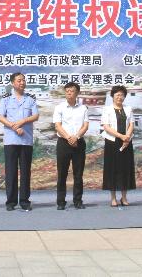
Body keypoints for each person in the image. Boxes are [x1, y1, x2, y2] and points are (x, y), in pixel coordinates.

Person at [0, 72, 39, 211]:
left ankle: (25, 201)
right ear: (13, 83)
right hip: (11, 140)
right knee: (11, 172)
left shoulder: (30, 99)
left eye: (23, 80)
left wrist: (23, 121)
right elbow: (0, 117)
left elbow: (36, 116)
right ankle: (11, 201)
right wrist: (14, 126)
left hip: (26, 140)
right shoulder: (6, 99)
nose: (22, 82)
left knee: (25, 172)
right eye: (19, 80)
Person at [53, 81, 89, 210]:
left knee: (78, 174)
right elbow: (57, 125)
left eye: (72, 91)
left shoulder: (83, 108)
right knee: (62, 174)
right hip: (63, 142)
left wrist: (76, 137)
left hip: (79, 142)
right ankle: (61, 202)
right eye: (67, 91)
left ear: (77, 93)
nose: (69, 93)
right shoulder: (59, 107)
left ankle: (78, 201)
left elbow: (85, 125)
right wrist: (69, 137)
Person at [101, 85, 136, 207]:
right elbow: (106, 127)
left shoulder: (128, 109)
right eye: (117, 95)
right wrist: (121, 136)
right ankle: (113, 198)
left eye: (122, 95)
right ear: (112, 96)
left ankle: (124, 197)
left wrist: (127, 137)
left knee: (125, 169)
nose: (119, 97)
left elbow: (131, 124)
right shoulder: (107, 109)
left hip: (126, 142)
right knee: (112, 170)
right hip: (112, 142)